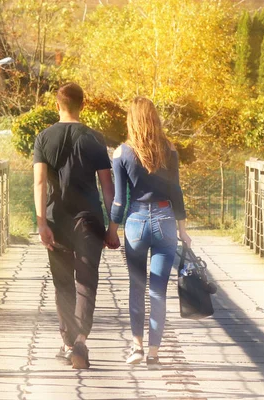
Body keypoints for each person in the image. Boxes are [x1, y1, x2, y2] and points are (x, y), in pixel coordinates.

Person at [33, 82, 120, 369]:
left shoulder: (43, 138)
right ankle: (81, 340)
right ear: (83, 105)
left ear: (57, 105)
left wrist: (41, 222)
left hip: (56, 219)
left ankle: (67, 342)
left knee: (63, 285)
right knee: (87, 281)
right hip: (89, 221)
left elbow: (40, 182)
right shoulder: (94, 138)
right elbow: (108, 186)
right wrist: (112, 227)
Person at [108, 96, 191, 367]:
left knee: (136, 287)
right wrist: (183, 229)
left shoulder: (122, 153)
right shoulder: (169, 149)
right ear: (155, 119)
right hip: (166, 220)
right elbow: (176, 191)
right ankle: (154, 351)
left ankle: (136, 348)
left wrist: (112, 229)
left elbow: (119, 199)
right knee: (158, 291)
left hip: (136, 223)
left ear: (131, 120)